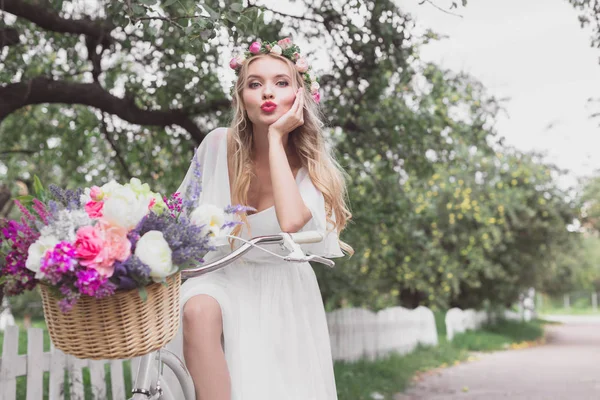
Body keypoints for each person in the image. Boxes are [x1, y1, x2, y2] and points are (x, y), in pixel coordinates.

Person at [176, 38, 353, 400]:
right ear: (242, 98)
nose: (267, 92)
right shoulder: (216, 145)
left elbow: (290, 222)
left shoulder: (310, 170)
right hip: (220, 275)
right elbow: (175, 216)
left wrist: (275, 138)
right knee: (197, 310)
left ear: (299, 97)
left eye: (281, 82)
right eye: (255, 84)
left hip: (280, 287)